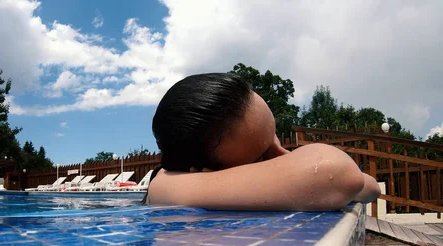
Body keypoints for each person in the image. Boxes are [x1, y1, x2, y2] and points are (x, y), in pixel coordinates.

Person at [145, 73, 381, 211]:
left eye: (274, 135)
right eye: (261, 156)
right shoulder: (166, 187)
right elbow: (340, 176)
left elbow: (366, 185)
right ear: (203, 173)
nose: (284, 155)